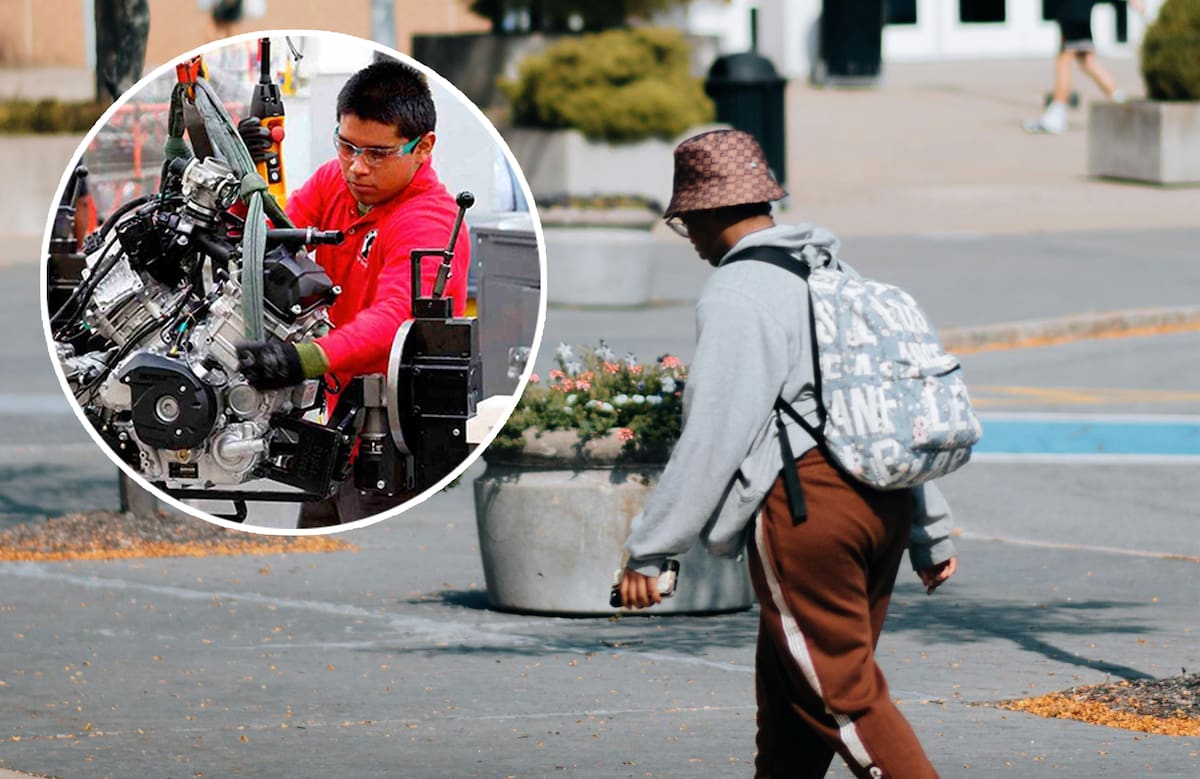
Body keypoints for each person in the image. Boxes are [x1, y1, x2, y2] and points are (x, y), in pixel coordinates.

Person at [615, 129, 958, 779]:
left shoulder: (738, 291)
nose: (687, 235)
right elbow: (890, 407)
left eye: (688, 220)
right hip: (881, 501)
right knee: (792, 700)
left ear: (712, 213)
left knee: (842, 698)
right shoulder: (838, 275)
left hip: (808, 509)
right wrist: (929, 528)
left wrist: (652, 546)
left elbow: (715, 432)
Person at [236, 58, 471, 526]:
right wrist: (243, 172)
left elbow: (394, 322)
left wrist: (303, 359)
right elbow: (264, 237)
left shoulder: (428, 221)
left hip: (390, 442)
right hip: (327, 430)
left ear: (423, 147)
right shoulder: (334, 182)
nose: (357, 167)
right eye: (347, 146)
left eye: (378, 153)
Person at [1024, 0, 1146, 134]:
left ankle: (1056, 115)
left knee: (1064, 59)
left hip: (1072, 13)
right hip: (1081, 13)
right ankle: (1119, 98)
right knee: (1087, 62)